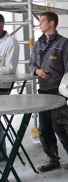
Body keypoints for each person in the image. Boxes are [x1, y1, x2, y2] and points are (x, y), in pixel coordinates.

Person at [29, 12, 68, 172]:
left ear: (52, 23)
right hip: (43, 91)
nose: (40, 24)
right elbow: (32, 63)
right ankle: (52, 159)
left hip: (58, 91)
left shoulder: (63, 43)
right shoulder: (38, 43)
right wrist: (38, 71)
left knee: (59, 125)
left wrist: (64, 92)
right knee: (44, 127)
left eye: (43, 21)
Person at [0, 14, 20, 162]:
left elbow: (10, 68)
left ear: (2, 24)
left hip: (2, 86)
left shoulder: (11, 42)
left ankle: (1, 154)